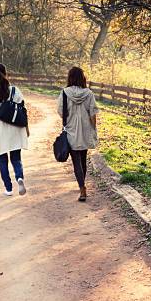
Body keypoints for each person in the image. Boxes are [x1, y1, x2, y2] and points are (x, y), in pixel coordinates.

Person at [0, 63, 29, 196]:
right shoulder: (15, 91)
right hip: (15, 130)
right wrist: (26, 128)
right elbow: (23, 111)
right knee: (16, 158)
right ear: (6, 74)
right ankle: (19, 177)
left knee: (2, 160)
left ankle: (8, 189)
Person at [57, 66, 99, 201]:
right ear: (82, 78)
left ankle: (82, 188)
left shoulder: (64, 93)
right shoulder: (89, 93)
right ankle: (82, 187)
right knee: (83, 159)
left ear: (70, 78)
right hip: (86, 129)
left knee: (76, 161)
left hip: (71, 130)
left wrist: (69, 119)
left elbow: (60, 112)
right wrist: (94, 128)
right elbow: (93, 114)